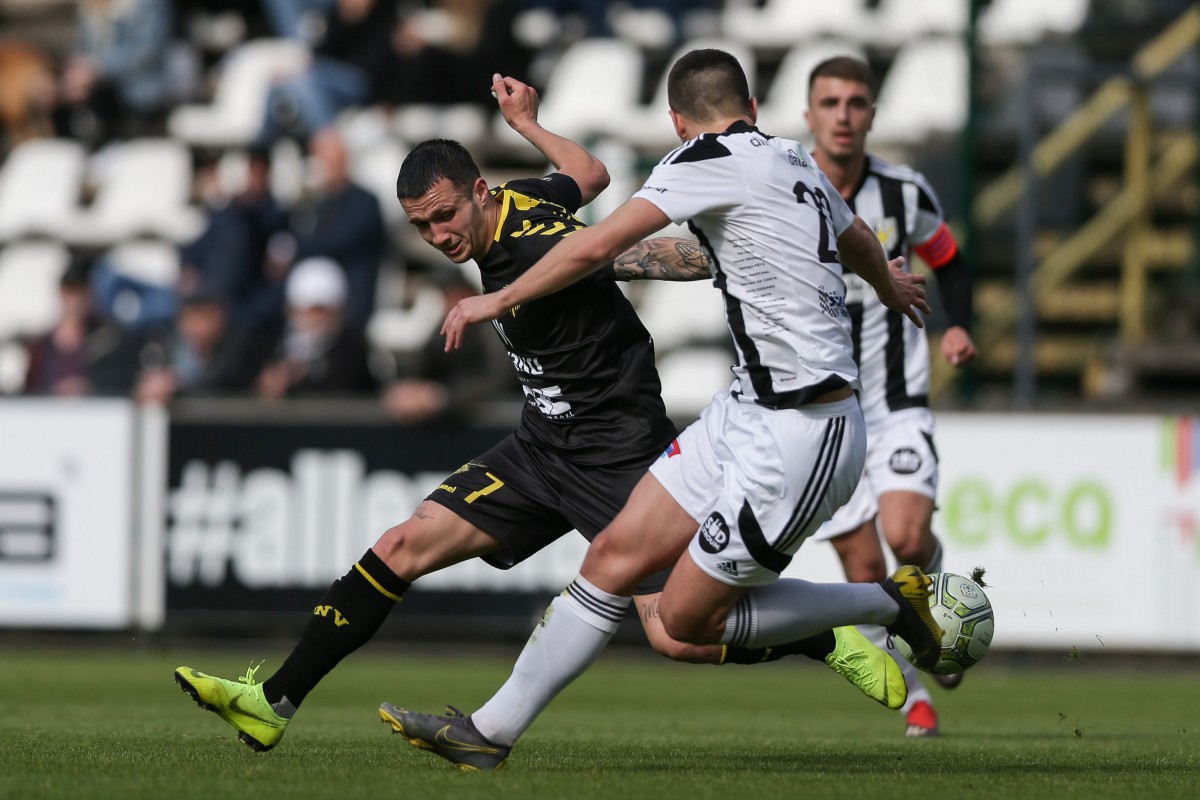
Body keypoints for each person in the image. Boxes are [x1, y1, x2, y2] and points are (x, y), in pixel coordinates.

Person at [173, 70, 914, 754]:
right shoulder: (528, 197)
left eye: (444, 216)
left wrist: (706, 255)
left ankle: (831, 638)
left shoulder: (536, 238)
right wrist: (531, 122)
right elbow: (591, 174)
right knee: (402, 547)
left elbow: (603, 251)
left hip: (619, 449)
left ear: (478, 192)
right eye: (422, 226)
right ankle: (273, 702)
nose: (439, 238)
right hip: (540, 447)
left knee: (678, 632)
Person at [385, 49, 942, 770]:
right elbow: (854, 234)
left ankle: (889, 605)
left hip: (806, 432)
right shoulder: (792, 159)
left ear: (676, 121)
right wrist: (891, 288)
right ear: (752, 106)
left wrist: (497, 297)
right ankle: (488, 732)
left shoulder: (698, 160)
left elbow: (596, 245)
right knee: (613, 555)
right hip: (744, 411)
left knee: (680, 626)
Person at [802, 56, 978, 738]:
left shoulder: (903, 194)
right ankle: (917, 703)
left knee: (905, 538)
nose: (844, 114)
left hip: (897, 402)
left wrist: (957, 323)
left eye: (856, 102)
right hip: (820, 417)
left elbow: (952, 260)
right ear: (809, 114)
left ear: (872, 114)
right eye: (830, 102)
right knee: (866, 571)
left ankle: (937, 609)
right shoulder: (789, 188)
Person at [253, 256, 377, 400]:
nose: (316, 319)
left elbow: (347, 389)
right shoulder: (265, 339)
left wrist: (301, 379)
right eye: (309, 311)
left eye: (323, 311)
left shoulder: (353, 350)